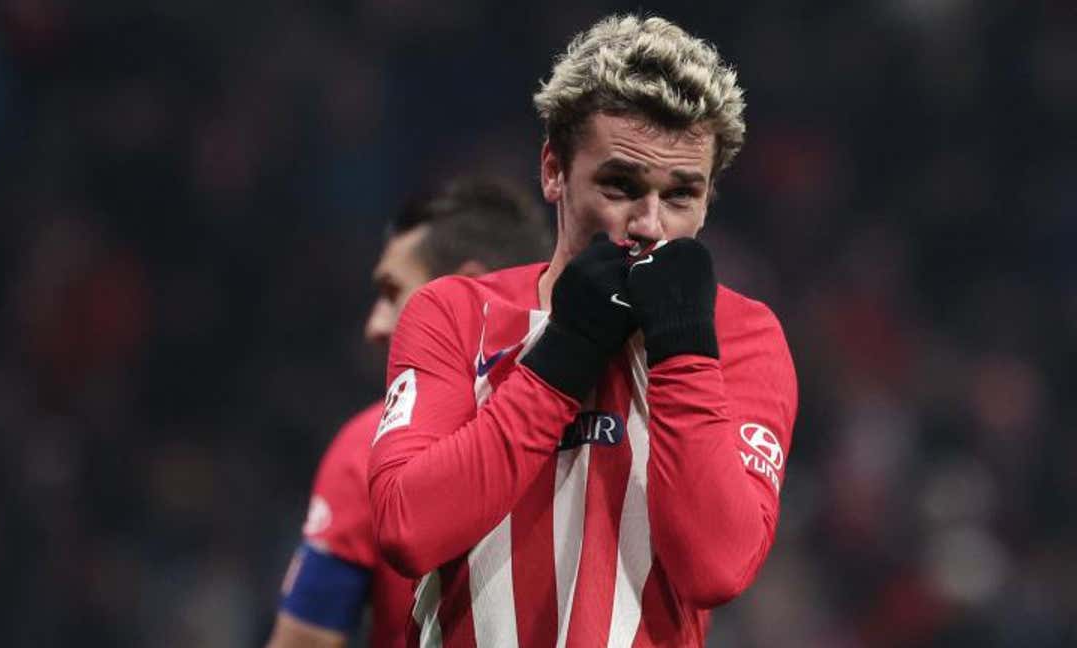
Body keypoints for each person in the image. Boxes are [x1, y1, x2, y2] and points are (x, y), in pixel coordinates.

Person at [367, 14, 798, 647]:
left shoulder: (742, 337)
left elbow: (717, 567)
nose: (649, 224)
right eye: (621, 185)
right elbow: (408, 527)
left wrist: (682, 348)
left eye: (681, 195)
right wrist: (564, 354)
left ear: (708, 202)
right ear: (553, 171)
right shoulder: (455, 313)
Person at [267, 178, 554, 648]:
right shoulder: (618, 422)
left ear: (463, 290)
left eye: (392, 291)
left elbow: (304, 641)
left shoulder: (367, 448)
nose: (375, 325)